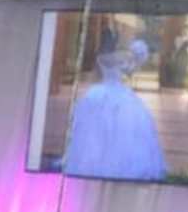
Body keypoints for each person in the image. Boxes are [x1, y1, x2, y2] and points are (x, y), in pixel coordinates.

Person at [64, 30, 168, 182]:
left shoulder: (100, 57)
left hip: (101, 91)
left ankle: (95, 163)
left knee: (96, 131)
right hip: (118, 92)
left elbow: (99, 73)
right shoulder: (120, 57)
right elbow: (129, 72)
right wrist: (136, 61)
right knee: (123, 129)